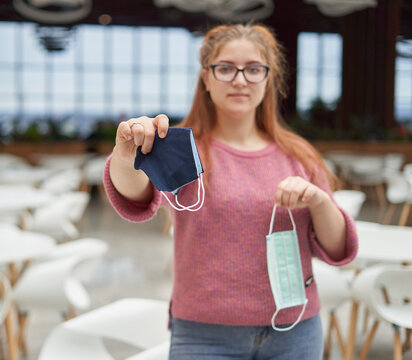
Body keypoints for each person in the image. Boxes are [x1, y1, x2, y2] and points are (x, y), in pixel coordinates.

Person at [103, 23, 358, 360]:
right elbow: (136, 197)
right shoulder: (183, 149)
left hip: (294, 331)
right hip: (203, 334)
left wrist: (319, 200)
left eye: (253, 69)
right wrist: (125, 155)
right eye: (225, 69)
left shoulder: (298, 155)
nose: (240, 80)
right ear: (206, 78)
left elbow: (337, 248)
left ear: (269, 79)